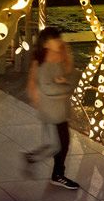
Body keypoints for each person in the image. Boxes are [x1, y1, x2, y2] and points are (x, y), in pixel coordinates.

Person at [25, 27, 80, 190]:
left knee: (59, 143)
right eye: (56, 39)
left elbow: (72, 74)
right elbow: (46, 87)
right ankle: (55, 174)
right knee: (58, 144)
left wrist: (65, 82)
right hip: (50, 109)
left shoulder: (62, 56)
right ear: (47, 43)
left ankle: (44, 166)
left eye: (60, 38)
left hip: (59, 107)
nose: (60, 42)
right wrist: (66, 87)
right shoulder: (42, 62)